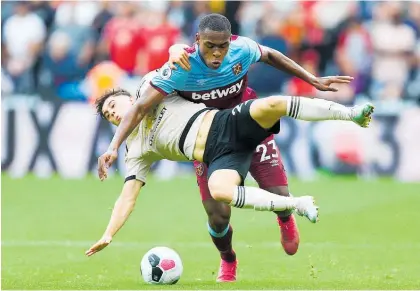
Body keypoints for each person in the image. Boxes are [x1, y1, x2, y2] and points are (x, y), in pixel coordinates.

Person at [98, 13, 357, 282]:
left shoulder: (238, 50)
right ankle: (228, 259)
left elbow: (268, 55)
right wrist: (175, 50)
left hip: (245, 121)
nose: (217, 53)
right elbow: (161, 78)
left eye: (114, 106)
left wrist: (311, 79)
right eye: (109, 114)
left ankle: (285, 212)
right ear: (198, 41)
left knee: (277, 188)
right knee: (217, 214)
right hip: (210, 143)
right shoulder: (177, 73)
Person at [86, 71, 374, 259]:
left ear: (127, 97)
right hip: (218, 155)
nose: (113, 113)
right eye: (109, 115)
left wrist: (177, 51)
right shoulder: (135, 149)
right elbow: (128, 197)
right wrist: (108, 234)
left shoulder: (150, 88)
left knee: (270, 105)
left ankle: (351, 114)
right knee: (220, 193)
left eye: (114, 105)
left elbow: (177, 58)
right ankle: (299, 204)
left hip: (226, 123)